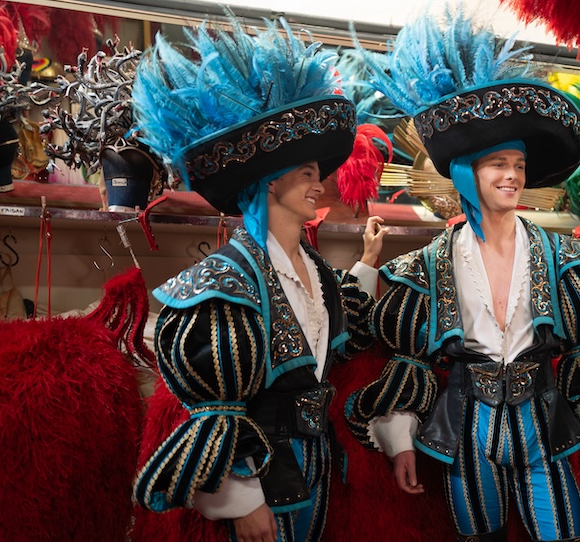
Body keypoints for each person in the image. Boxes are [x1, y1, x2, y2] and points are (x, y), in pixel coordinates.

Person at [343, 9, 580, 542]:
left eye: (519, 165)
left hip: (546, 428)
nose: (512, 176)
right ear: (466, 171)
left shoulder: (567, 259)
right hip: (467, 429)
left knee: (565, 532)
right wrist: (402, 440)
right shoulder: (423, 268)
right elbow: (409, 359)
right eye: (498, 163)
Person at [130, 17, 389, 542]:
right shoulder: (225, 279)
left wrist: (368, 262)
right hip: (263, 472)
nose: (321, 185)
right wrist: (242, 497)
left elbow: (339, 324)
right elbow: (214, 406)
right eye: (307, 174)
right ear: (270, 183)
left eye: (319, 172)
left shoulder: (316, 270)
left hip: (318, 466)